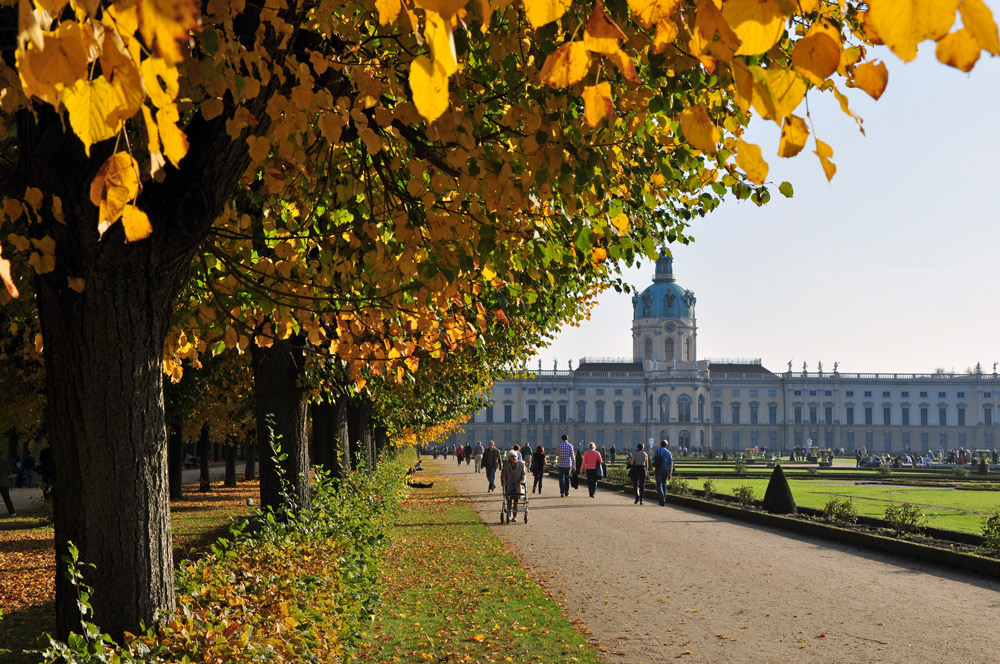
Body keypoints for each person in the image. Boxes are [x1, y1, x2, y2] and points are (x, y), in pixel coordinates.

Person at [500, 450, 526, 522]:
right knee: (509, 501)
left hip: (517, 486)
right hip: (509, 485)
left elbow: (524, 474)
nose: (514, 458)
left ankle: (514, 516)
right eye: (512, 457)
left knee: (516, 502)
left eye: (515, 456)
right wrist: (504, 483)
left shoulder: (521, 465)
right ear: (509, 458)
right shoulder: (506, 465)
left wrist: (522, 481)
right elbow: (503, 475)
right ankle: (509, 515)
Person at [652, 439, 673, 506]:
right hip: (665, 470)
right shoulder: (669, 452)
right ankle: (663, 499)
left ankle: (662, 499)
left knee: (659, 485)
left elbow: (653, 459)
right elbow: (670, 464)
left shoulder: (657, 450)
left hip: (658, 469)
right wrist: (670, 473)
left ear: (660, 444)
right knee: (664, 484)